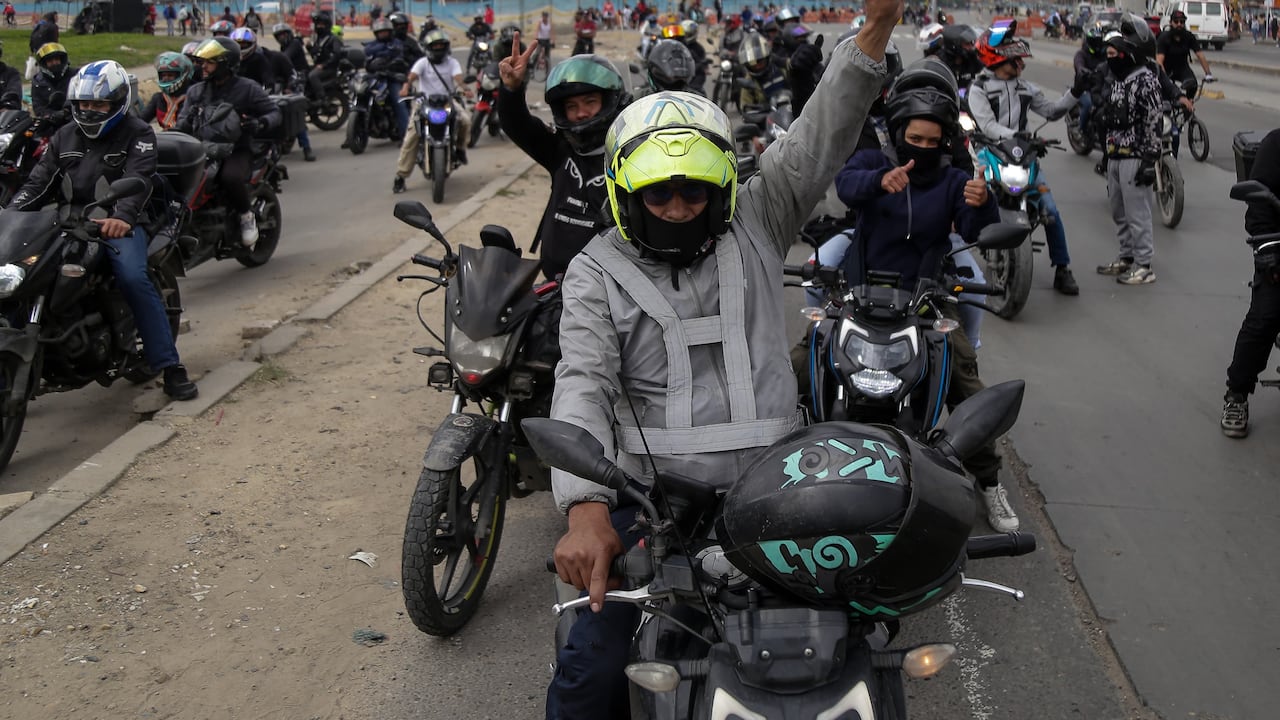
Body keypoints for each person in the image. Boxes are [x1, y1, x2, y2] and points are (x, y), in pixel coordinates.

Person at [544, 1, 899, 715]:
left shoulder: (762, 217)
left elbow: (820, 134)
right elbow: (580, 381)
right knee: (589, 675)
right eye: (660, 191)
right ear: (624, 191)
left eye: (695, 189)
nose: (678, 205)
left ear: (723, 187)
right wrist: (586, 509)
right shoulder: (594, 270)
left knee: (866, 650)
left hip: (784, 500)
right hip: (654, 509)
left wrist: (876, 29)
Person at [833, 59, 1016, 531]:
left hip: (926, 297)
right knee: (800, 360)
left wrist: (983, 201)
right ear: (898, 132)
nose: (924, 149)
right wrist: (877, 183)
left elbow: (974, 228)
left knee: (964, 377)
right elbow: (847, 188)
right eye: (915, 140)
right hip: (862, 291)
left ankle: (991, 484)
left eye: (934, 142)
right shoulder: (874, 160)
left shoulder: (956, 178)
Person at [11, 61, 198, 401]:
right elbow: (38, 182)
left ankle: (171, 368)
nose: (90, 111)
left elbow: (139, 179)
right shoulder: (64, 135)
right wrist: (9, 214)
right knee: (19, 273)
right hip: (68, 223)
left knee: (132, 278)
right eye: (84, 104)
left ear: (117, 103)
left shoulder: (138, 132)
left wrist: (122, 217)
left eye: (99, 104)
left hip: (118, 222)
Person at [968, 19, 1083, 295]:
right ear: (996, 58)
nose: (1021, 64)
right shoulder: (979, 89)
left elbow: (1053, 111)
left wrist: (1076, 92)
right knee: (969, 203)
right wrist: (1018, 135)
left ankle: (1063, 268)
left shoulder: (1027, 88)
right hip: (989, 153)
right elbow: (988, 126)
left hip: (1023, 156)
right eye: (1016, 59)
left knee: (1051, 211)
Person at [497, 38, 627, 279]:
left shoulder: (628, 158)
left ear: (609, 100)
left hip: (609, 291)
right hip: (555, 286)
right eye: (571, 106)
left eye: (590, 102)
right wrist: (511, 90)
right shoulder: (559, 150)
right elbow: (517, 124)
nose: (581, 113)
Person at [177, 37, 282, 247]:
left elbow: (274, 112)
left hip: (237, 149)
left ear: (225, 63)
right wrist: (186, 122)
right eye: (202, 62)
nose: (203, 67)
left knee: (230, 177)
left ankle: (246, 216)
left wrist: (259, 123)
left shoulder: (248, 88)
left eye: (209, 62)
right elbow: (180, 123)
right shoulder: (195, 91)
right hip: (202, 149)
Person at [1221, 127, 1280, 438]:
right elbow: (1258, 207)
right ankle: (1237, 394)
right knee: (1265, 318)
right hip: (1279, 249)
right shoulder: (1276, 144)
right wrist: (1269, 256)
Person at [1095, 14, 1162, 285]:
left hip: (1135, 158)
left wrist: (1150, 159)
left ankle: (1144, 264)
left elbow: (1153, 121)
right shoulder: (1119, 80)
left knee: (1138, 215)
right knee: (1119, 212)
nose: (1112, 57)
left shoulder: (1146, 80)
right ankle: (1127, 257)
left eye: (1116, 53)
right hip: (1115, 156)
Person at [392, 29, 470, 194]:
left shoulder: (452, 63)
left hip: (447, 101)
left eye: (441, 45)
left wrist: (465, 88)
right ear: (428, 47)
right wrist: (406, 87)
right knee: (411, 138)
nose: (438, 48)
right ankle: (401, 176)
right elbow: (411, 77)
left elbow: (458, 78)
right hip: (424, 102)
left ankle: (461, 149)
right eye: (435, 46)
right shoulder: (422, 63)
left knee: (465, 120)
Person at [271, 23, 317, 162]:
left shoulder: (295, 44)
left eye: (284, 34)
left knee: (296, 113)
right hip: (286, 80)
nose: (282, 38)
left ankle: (306, 148)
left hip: (299, 79)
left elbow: (285, 57)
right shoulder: (283, 48)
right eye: (279, 36)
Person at [363, 18, 409, 140]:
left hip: (391, 77)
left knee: (399, 102)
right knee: (360, 94)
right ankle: (353, 134)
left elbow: (396, 52)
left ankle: (406, 136)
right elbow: (367, 52)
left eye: (385, 32)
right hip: (375, 77)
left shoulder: (397, 43)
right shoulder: (372, 44)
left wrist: (381, 56)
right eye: (380, 32)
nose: (383, 34)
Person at [1157, 9, 1214, 101]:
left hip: (1182, 68)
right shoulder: (1164, 38)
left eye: (1182, 22)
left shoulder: (1189, 36)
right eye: (1176, 21)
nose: (1179, 24)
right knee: (1165, 93)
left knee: (1193, 85)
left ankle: (1188, 107)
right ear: (1171, 23)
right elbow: (1159, 61)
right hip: (1166, 69)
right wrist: (1165, 80)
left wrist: (1208, 74)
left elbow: (1200, 55)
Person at [140, 51, 192, 130]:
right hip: (166, 139)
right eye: (163, 75)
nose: (165, 78)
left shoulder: (192, 98)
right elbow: (141, 121)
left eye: (170, 75)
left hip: (188, 139)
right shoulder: (158, 98)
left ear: (184, 75)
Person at [305, 11, 344, 104]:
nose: (319, 27)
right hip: (319, 65)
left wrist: (324, 65)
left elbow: (337, 55)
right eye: (317, 24)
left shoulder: (333, 39)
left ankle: (321, 98)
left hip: (329, 68)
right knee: (303, 73)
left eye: (321, 25)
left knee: (312, 76)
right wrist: (309, 47)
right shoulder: (319, 39)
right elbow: (315, 55)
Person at [31, 43, 74, 121]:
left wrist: (67, 111)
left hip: (73, 118)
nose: (54, 63)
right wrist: (52, 115)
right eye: (50, 61)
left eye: (57, 59)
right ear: (44, 64)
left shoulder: (75, 75)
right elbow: (38, 107)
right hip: (50, 122)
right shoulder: (38, 82)